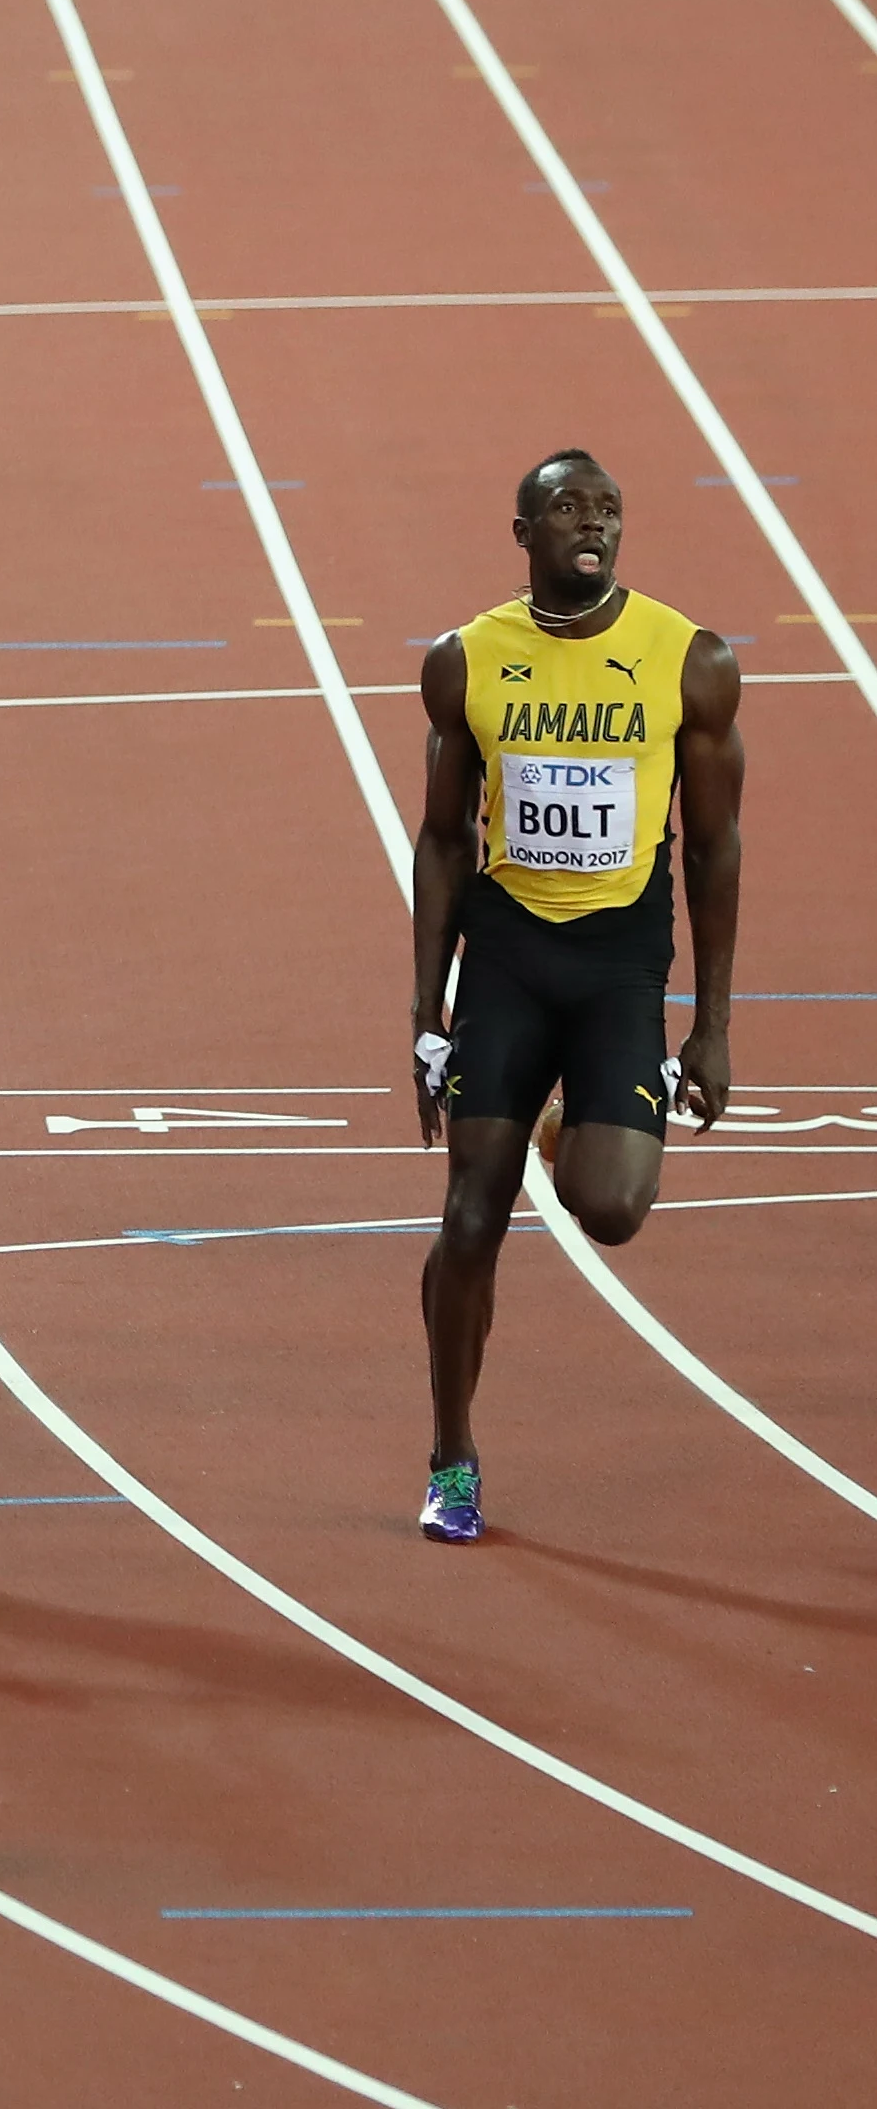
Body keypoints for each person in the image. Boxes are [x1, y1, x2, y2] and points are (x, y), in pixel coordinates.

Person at [408, 449, 741, 1544]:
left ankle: (566, 1124)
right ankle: (453, 1454)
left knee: (612, 1211)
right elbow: (445, 839)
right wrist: (424, 1015)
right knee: (471, 1216)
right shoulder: (466, 661)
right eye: (566, 509)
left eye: (606, 507)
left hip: (617, 968)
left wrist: (714, 1027)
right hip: (506, 957)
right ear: (525, 534)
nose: (591, 523)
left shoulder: (688, 660)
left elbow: (717, 845)